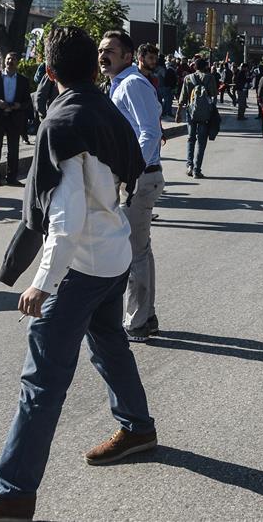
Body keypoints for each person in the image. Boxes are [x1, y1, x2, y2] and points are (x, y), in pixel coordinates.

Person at [0, 26, 156, 522]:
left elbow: (66, 218)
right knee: (109, 343)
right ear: (90, 66)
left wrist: (42, 280)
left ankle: (13, 490)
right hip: (114, 255)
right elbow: (130, 169)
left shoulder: (63, 122)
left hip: (81, 266)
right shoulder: (105, 106)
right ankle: (138, 427)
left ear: (50, 70)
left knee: (42, 379)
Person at [99, 30, 164, 343]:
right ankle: (145, 315)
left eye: (110, 50)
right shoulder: (118, 85)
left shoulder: (133, 84)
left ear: (127, 56)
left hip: (139, 178)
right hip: (136, 176)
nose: (103, 55)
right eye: (101, 49)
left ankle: (136, 321)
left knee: (133, 253)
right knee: (140, 249)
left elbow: (150, 133)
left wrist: (131, 174)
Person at [0, 52, 31, 186]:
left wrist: (19, 105)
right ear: (4, 61)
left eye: (13, 59)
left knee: (13, 150)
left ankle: (12, 177)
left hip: (14, 118)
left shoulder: (23, 80)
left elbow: (27, 101)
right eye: (8, 59)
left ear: (17, 62)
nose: (10, 61)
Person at [177, 58, 218, 177]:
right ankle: (197, 170)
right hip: (205, 114)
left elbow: (183, 96)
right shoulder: (210, 78)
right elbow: (214, 94)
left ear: (194, 66)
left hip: (190, 112)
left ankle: (189, 166)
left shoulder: (188, 78)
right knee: (201, 141)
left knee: (190, 139)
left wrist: (178, 112)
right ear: (205, 66)